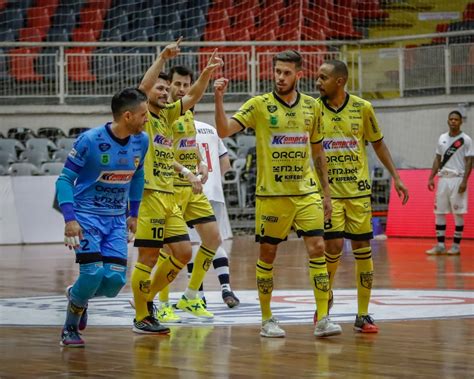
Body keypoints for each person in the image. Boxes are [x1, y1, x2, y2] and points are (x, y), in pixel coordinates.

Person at [214, 50, 342, 338]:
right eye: (277, 72)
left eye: (286, 73)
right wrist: (219, 98)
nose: (280, 77)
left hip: (306, 192)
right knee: (268, 254)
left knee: (318, 248)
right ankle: (267, 319)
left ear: (299, 75)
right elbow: (223, 130)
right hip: (272, 196)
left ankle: (323, 318)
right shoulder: (259, 105)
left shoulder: (312, 107)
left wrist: (326, 193)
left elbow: (318, 151)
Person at [131, 39, 223, 334]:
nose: (161, 91)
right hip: (149, 195)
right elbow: (144, 86)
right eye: (158, 88)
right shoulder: (143, 118)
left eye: (164, 88)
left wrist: (206, 74)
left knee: (183, 253)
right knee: (149, 256)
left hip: (169, 194)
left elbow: (193, 96)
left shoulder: (170, 115)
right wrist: (162, 56)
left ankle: (146, 301)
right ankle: (143, 313)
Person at [315, 59, 409, 333]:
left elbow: (379, 144)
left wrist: (397, 177)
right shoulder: (313, 109)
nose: (318, 82)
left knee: (363, 252)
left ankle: (363, 314)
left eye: (323, 78)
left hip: (358, 193)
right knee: (331, 250)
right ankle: (324, 304)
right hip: (329, 195)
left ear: (340, 81)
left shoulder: (363, 108)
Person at [56, 87, 150, 347]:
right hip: (86, 218)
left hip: (116, 219)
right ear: (128, 116)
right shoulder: (90, 140)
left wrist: (133, 213)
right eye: (144, 114)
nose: (147, 119)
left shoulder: (142, 141)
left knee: (114, 281)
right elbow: (64, 180)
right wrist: (69, 219)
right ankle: (70, 328)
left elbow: (138, 176)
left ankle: (77, 295)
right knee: (92, 273)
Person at [154, 66, 240, 323]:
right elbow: (163, 156)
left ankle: (191, 295)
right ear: (168, 86)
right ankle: (163, 303)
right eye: (177, 84)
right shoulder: (162, 114)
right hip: (170, 188)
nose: (181, 89)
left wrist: (201, 164)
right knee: (170, 249)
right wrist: (187, 174)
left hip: (192, 189)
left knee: (213, 239)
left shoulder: (187, 113)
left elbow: (189, 145)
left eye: (186, 85)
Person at [426, 110, 473, 255]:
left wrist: (465, 181)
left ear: (461, 122)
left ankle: (456, 246)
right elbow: (437, 158)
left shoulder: (466, 140)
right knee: (439, 212)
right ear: (448, 121)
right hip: (443, 180)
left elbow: (470, 161)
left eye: (456, 119)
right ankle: (440, 245)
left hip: (458, 179)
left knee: (458, 213)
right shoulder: (442, 138)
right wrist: (431, 177)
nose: (453, 121)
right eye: (451, 119)